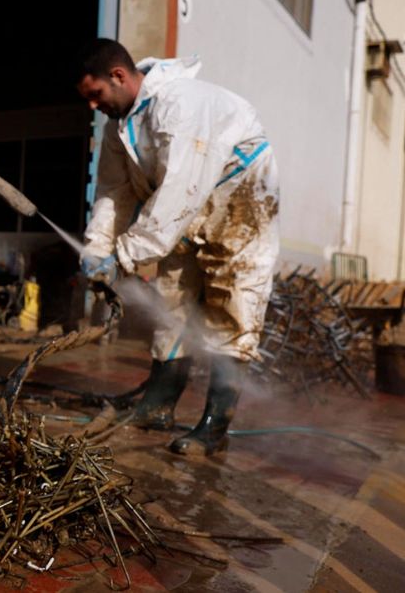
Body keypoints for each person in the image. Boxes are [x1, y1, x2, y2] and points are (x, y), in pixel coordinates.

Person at [75, 39, 280, 456]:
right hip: (183, 209)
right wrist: (97, 247)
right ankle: (158, 405)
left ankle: (213, 427)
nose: (92, 107)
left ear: (118, 76)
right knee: (172, 304)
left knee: (232, 309)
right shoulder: (121, 125)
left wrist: (126, 257)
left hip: (238, 200)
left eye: (95, 95)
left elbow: (180, 192)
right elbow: (114, 190)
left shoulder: (180, 106)